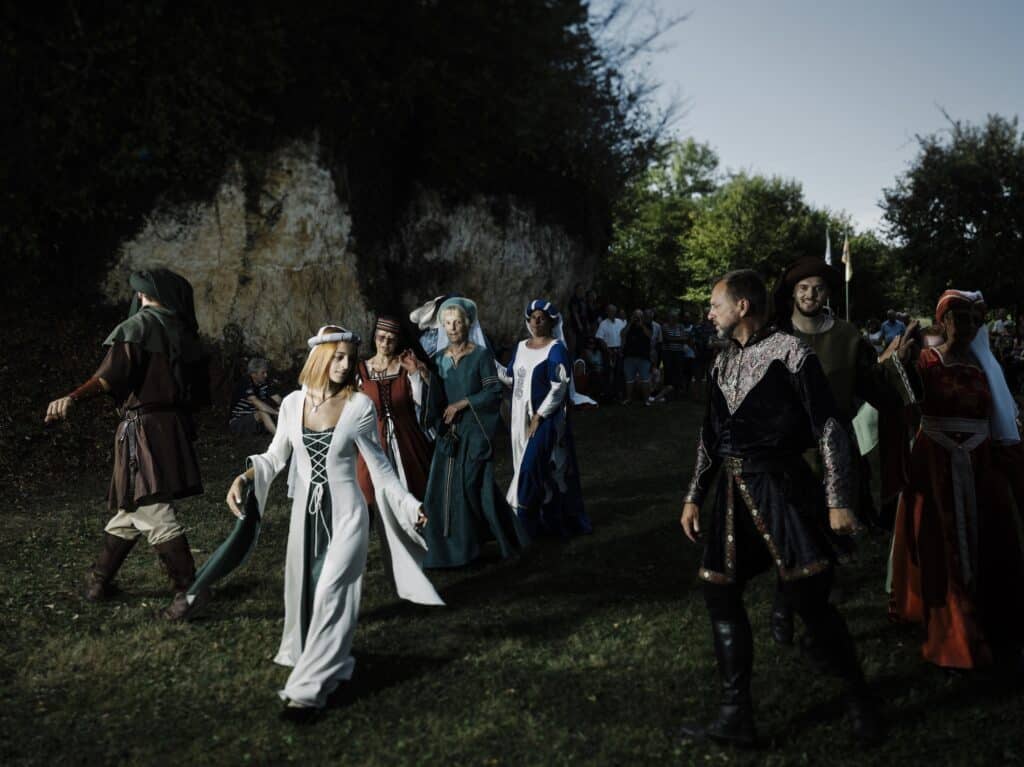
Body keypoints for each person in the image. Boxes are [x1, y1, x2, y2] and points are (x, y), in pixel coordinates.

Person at [678, 269, 881, 747]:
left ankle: (860, 703)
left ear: (742, 307)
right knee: (720, 593)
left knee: (811, 602)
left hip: (783, 490)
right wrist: (693, 494)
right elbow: (711, 436)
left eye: (715, 304)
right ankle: (735, 718)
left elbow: (829, 428)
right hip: (731, 494)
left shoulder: (793, 356)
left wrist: (836, 500)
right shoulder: (721, 363)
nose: (710, 313)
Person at [224, 325, 438, 721]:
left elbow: (380, 467)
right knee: (309, 592)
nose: (344, 365)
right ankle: (330, 664)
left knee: (331, 591)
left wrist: (409, 505)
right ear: (320, 357)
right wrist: (244, 476)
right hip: (305, 516)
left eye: (348, 357)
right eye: (337, 357)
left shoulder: (359, 407)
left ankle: (305, 695)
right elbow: (275, 457)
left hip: (348, 514)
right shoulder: (291, 404)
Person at [769, 256, 920, 644]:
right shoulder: (775, 337)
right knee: (792, 528)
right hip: (788, 451)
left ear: (828, 293)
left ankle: (819, 596)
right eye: (802, 288)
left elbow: (874, 386)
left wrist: (898, 363)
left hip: (836, 448)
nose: (810, 294)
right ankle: (784, 603)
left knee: (831, 527)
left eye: (817, 287)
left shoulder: (849, 335)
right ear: (792, 294)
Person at [45, 268, 207, 620]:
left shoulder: (138, 326)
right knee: (130, 511)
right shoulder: (180, 331)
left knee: (153, 507)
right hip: (168, 425)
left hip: (143, 432)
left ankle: (188, 593)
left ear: (142, 294)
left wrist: (73, 396)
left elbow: (110, 376)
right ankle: (98, 580)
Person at [889, 291, 1024, 671]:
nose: (964, 326)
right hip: (937, 459)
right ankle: (954, 634)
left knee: (989, 536)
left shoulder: (984, 364)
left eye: (970, 320)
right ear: (942, 321)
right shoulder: (927, 361)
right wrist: (900, 361)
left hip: (979, 460)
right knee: (942, 542)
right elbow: (903, 396)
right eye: (957, 318)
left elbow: (999, 411)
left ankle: (992, 618)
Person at [416, 297, 529, 567]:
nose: (452, 327)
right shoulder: (439, 361)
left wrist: (462, 404)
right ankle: (458, 547)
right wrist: (424, 375)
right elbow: (439, 394)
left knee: (473, 485)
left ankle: (500, 537)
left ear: (467, 324)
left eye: (457, 322)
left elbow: (492, 391)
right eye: (447, 323)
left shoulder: (480, 355)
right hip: (451, 433)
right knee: (446, 488)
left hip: (475, 429)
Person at [356, 316, 439, 598]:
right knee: (370, 496)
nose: (385, 343)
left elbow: (420, 401)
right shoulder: (360, 371)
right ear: (374, 338)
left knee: (412, 487)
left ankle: (419, 546)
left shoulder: (405, 368)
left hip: (406, 437)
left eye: (390, 338)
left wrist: (417, 373)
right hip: (373, 441)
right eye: (380, 337)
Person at [498, 299, 591, 538]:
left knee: (535, 467)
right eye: (532, 317)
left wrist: (539, 415)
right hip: (520, 417)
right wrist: (484, 356)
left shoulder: (556, 348)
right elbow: (511, 378)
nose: (536, 321)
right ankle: (541, 520)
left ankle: (521, 520)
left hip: (546, 418)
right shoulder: (520, 347)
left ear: (551, 321)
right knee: (525, 465)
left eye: (541, 317)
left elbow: (559, 387)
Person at [229, 357, 281, 435]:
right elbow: (257, 403)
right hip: (238, 423)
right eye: (263, 373)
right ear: (253, 374)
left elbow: (278, 399)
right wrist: (276, 413)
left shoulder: (264, 383)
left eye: (266, 372)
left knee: (279, 408)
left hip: (255, 419)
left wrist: (283, 409)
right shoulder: (245, 382)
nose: (266, 375)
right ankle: (280, 438)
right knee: (263, 412)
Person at [594, 305, 626, 400]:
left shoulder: (620, 322)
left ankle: (618, 394)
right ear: (607, 312)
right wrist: (608, 350)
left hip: (619, 349)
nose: (612, 313)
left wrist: (621, 348)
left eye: (614, 311)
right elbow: (600, 338)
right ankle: (607, 394)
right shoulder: (603, 323)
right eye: (610, 311)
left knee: (619, 372)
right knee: (607, 372)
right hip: (608, 350)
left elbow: (624, 335)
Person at [621, 309, 653, 404]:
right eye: (635, 315)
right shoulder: (629, 325)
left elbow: (650, 335)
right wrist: (630, 323)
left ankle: (646, 400)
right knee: (629, 380)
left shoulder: (647, 324)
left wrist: (641, 324)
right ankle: (629, 399)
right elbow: (622, 334)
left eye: (639, 316)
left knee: (645, 379)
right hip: (629, 357)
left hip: (643, 357)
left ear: (642, 317)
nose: (637, 318)